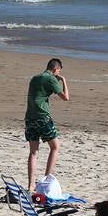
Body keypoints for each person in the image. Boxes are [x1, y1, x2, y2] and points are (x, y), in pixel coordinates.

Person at [25, 57, 69, 193]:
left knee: (33, 152)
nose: (58, 74)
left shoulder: (35, 78)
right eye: (58, 72)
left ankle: (31, 185)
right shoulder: (51, 78)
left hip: (30, 117)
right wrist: (63, 81)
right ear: (55, 69)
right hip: (42, 118)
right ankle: (46, 180)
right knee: (55, 147)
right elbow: (65, 97)